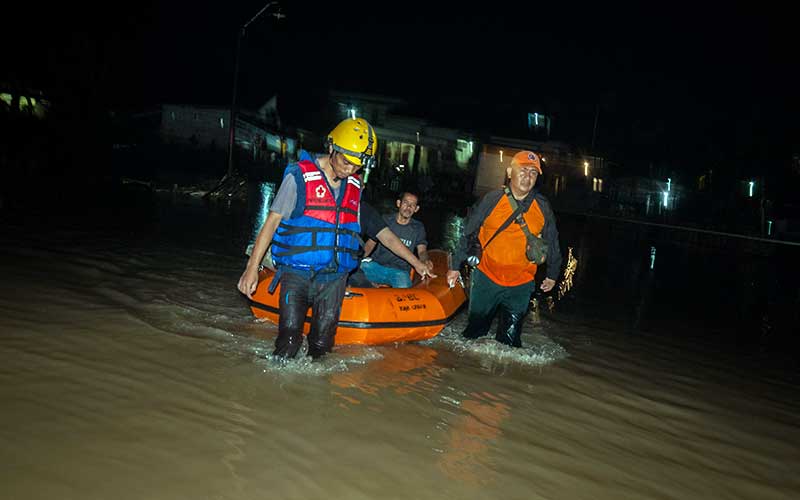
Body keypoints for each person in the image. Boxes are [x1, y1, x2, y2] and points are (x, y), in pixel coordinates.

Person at [237, 117, 433, 360]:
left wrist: (418, 263)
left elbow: (386, 236)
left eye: (356, 166)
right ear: (332, 147)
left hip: (334, 279)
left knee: (322, 345)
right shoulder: (299, 178)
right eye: (345, 162)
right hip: (297, 274)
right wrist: (251, 268)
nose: (349, 170)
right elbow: (271, 223)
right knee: (288, 342)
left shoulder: (355, 187)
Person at [446, 151, 562, 348]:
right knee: (473, 337)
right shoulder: (492, 199)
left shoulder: (542, 207)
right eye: (523, 170)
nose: (528, 176)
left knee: (509, 344)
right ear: (510, 172)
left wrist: (552, 274)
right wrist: (455, 266)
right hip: (486, 278)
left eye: (533, 173)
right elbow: (467, 231)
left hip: (521, 283)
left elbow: (552, 241)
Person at [359, 192, 433, 288]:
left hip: (400, 272)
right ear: (399, 203)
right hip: (376, 266)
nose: (408, 207)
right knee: (357, 270)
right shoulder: (385, 220)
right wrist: (358, 260)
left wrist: (425, 260)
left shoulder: (418, 228)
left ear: (416, 209)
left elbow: (422, 250)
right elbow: (370, 243)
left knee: (405, 292)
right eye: (406, 203)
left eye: (412, 205)